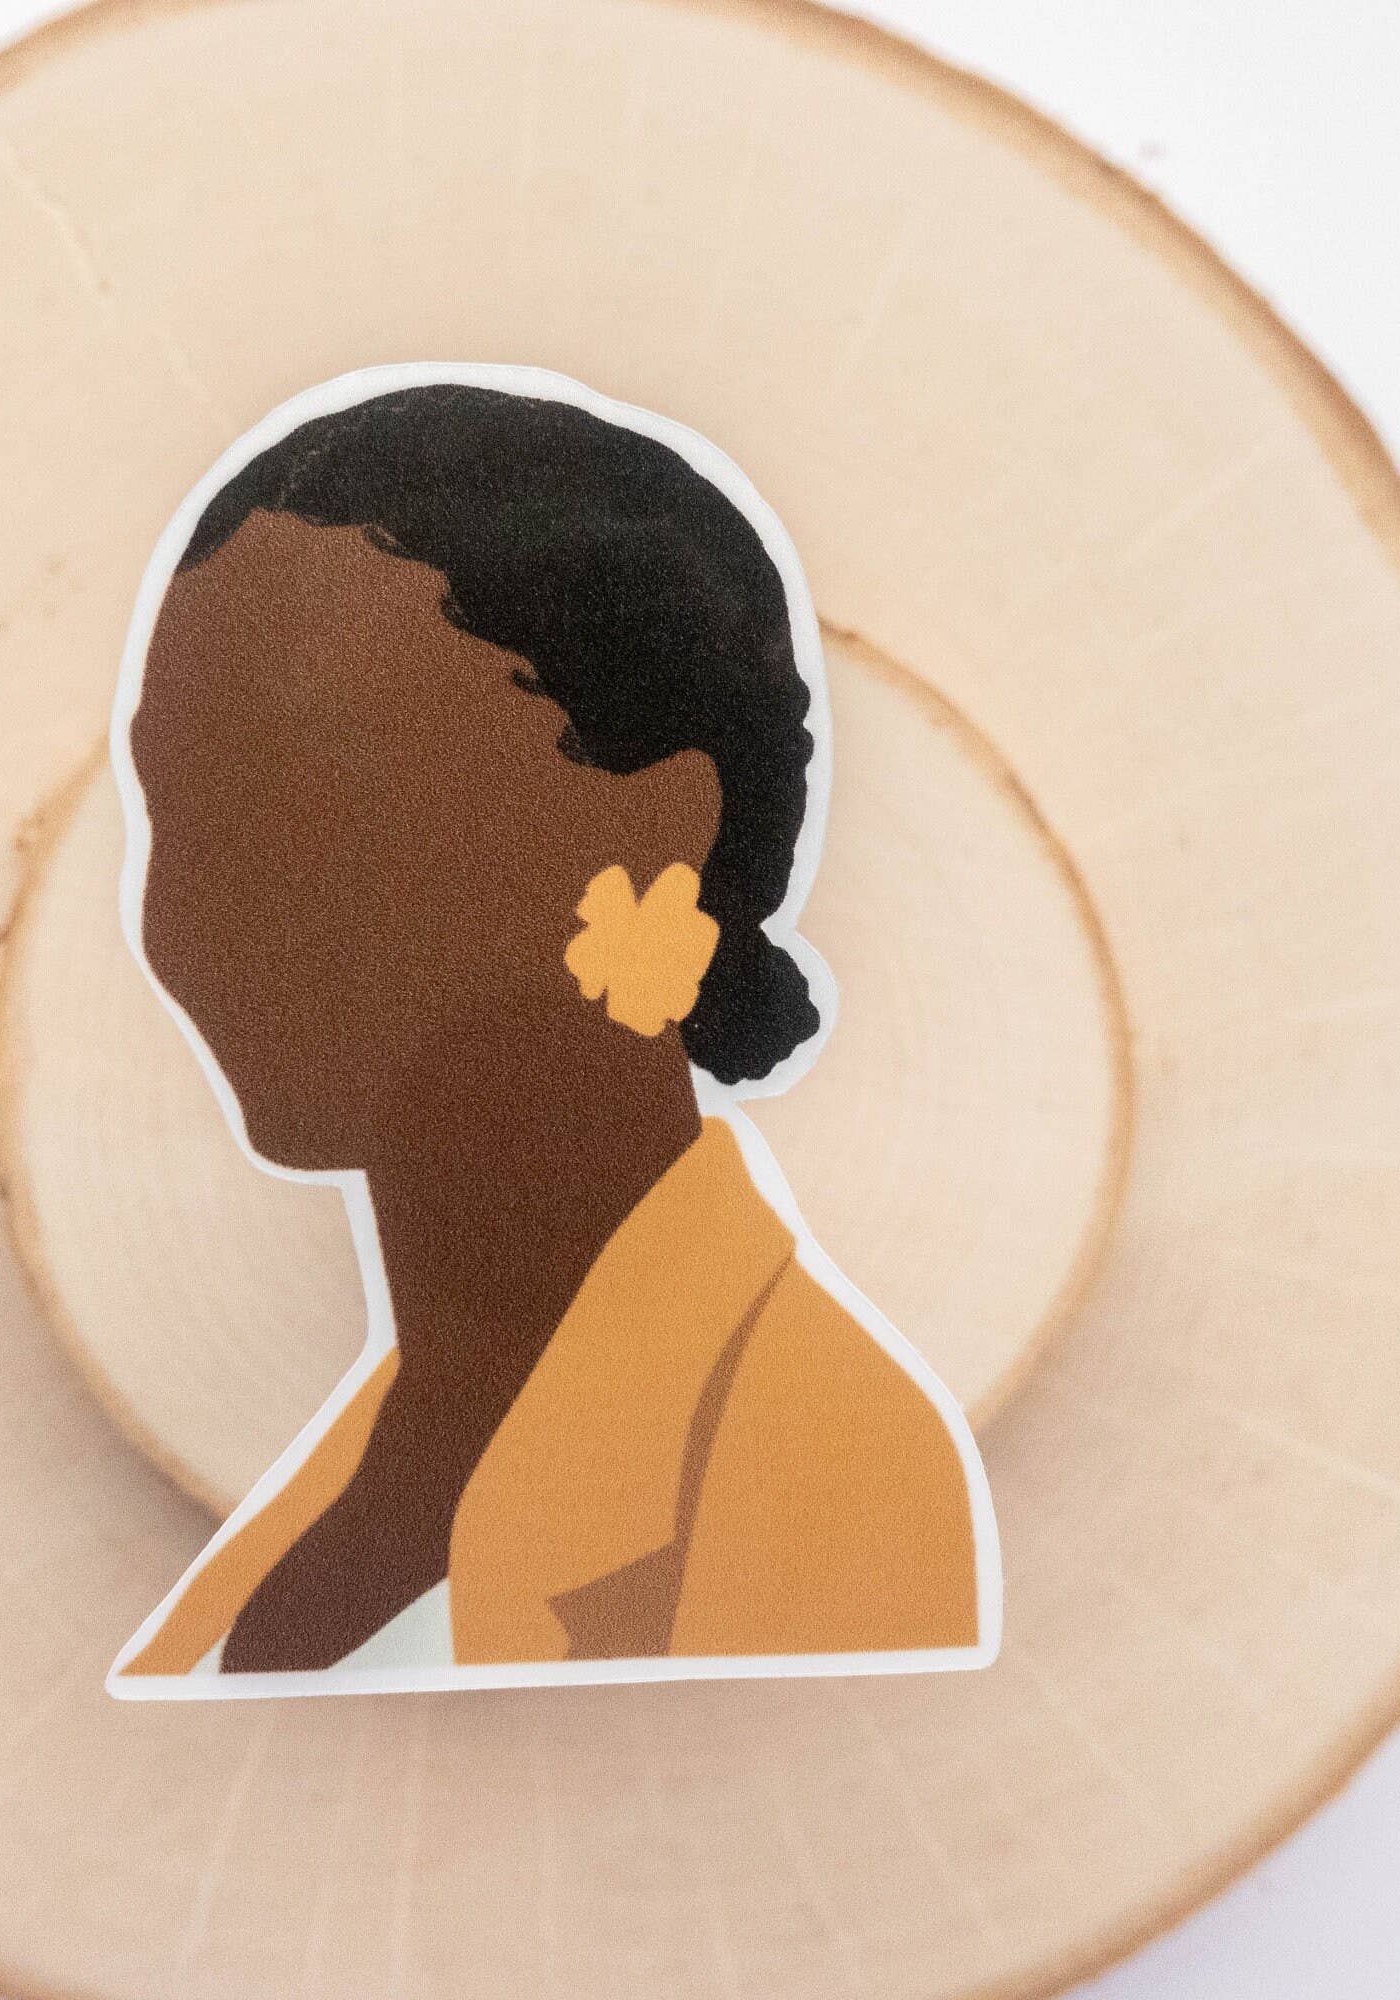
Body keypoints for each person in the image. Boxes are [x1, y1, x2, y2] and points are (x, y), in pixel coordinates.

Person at [107, 373, 995, 1690]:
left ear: (657, 827)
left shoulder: (825, 1475)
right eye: (180, 810)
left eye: (311, 806)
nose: (201, 914)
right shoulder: (374, 1461)